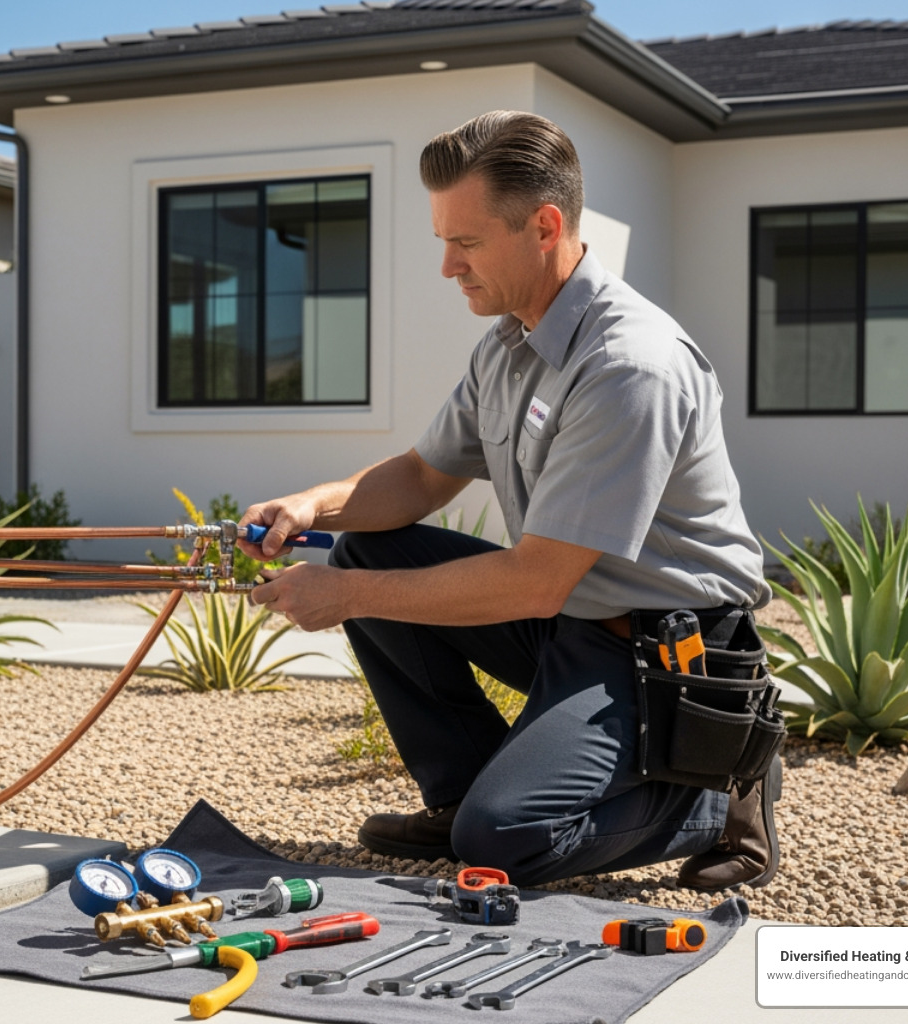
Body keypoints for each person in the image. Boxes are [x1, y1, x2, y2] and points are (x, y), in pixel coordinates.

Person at [239, 110, 777, 891]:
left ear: (544, 226)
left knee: (503, 843)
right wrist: (310, 507)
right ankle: (460, 797)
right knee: (369, 547)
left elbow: (535, 581)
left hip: (666, 655)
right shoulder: (510, 342)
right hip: (572, 620)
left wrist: (343, 596)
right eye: (443, 242)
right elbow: (423, 478)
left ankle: (710, 790)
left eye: (467, 242)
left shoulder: (630, 368)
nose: (448, 267)